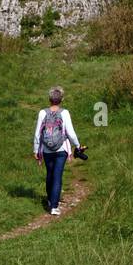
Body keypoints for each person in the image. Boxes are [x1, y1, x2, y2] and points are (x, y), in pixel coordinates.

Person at [34, 86, 81, 216]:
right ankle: (54, 206)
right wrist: (77, 145)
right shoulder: (64, 113)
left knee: (50, 174)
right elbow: (70, 133)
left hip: (47, 150)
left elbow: (38, 133)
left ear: (49, 99)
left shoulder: (42, 113)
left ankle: (50, 200)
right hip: (61, 149)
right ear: (62, 99)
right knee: (57, 176)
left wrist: (36, 150)